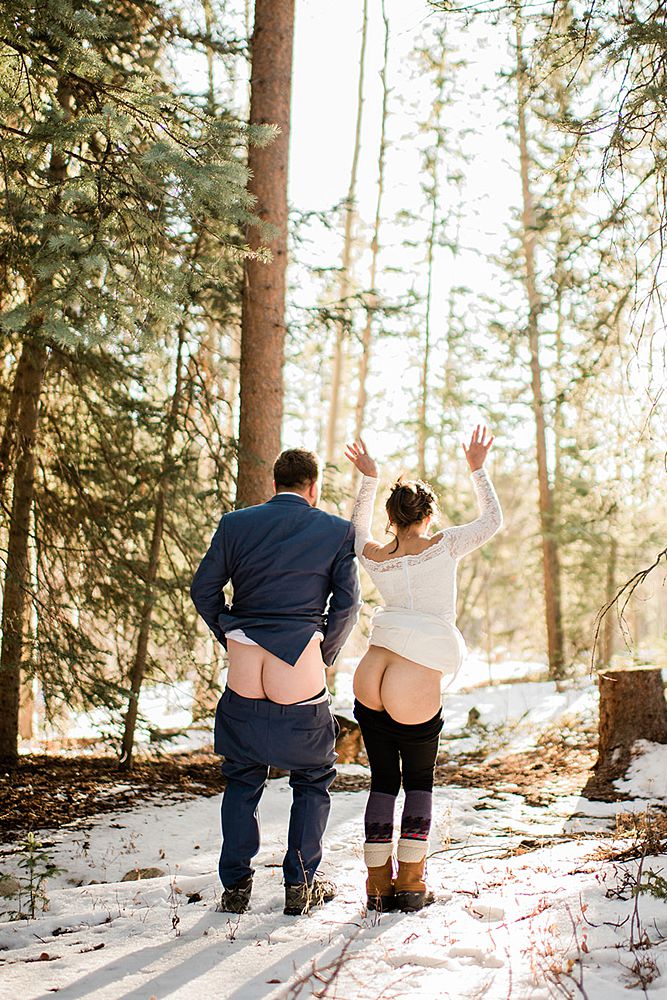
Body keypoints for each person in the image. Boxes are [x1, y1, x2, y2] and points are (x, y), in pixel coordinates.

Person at [191, 448, 361, 916]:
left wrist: (230, 632)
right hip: (298, 661)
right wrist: (321, 652)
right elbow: (348, 605)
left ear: (274, 484)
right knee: (313, 778)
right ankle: (300, 885)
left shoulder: (235, 524)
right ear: (313, 487)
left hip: (245, 663)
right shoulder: (337, 530)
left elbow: (203, 589)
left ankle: (235, 888)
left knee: (242, 778)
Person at [345, 426, 502, 912]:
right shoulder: (444, 544)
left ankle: (377, 886)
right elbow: (492, 520)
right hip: (412, 678)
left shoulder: (375, 556)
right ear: (428, 516)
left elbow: (356, 531)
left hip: (371, 671)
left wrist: (369, 479)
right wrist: (477, 468)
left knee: (382, 782)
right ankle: (411, 882)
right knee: (417, 782)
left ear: (392, 519)